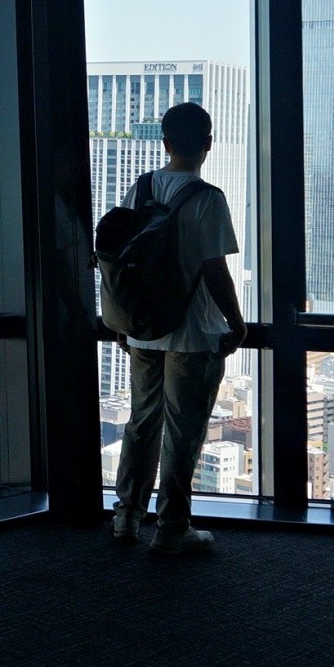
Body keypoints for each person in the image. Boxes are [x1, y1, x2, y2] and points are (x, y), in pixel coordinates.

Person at [109, 101, 247, 555]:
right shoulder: (208, 198)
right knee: (182, 432)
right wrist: (237, 322)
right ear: (208, 144)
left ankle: (126, 517)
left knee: (141, 423)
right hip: (192, 333)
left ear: (165, 143)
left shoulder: (141, 188)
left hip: (143, 329)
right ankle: (171, 528)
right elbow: (214, 270)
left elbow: (120, 257)